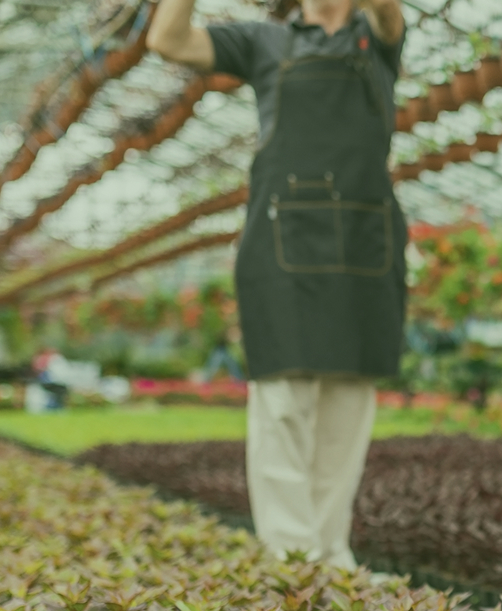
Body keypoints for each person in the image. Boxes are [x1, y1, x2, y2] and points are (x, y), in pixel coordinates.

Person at [149, 0, 408, 571]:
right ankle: (293, 560)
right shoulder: (263, 41)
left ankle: (333, 557)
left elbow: (390, 15)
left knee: (347, 404)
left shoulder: (378, 35)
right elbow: (168, 39)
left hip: (365, 238)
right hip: (285, 237)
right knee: (285, 400)